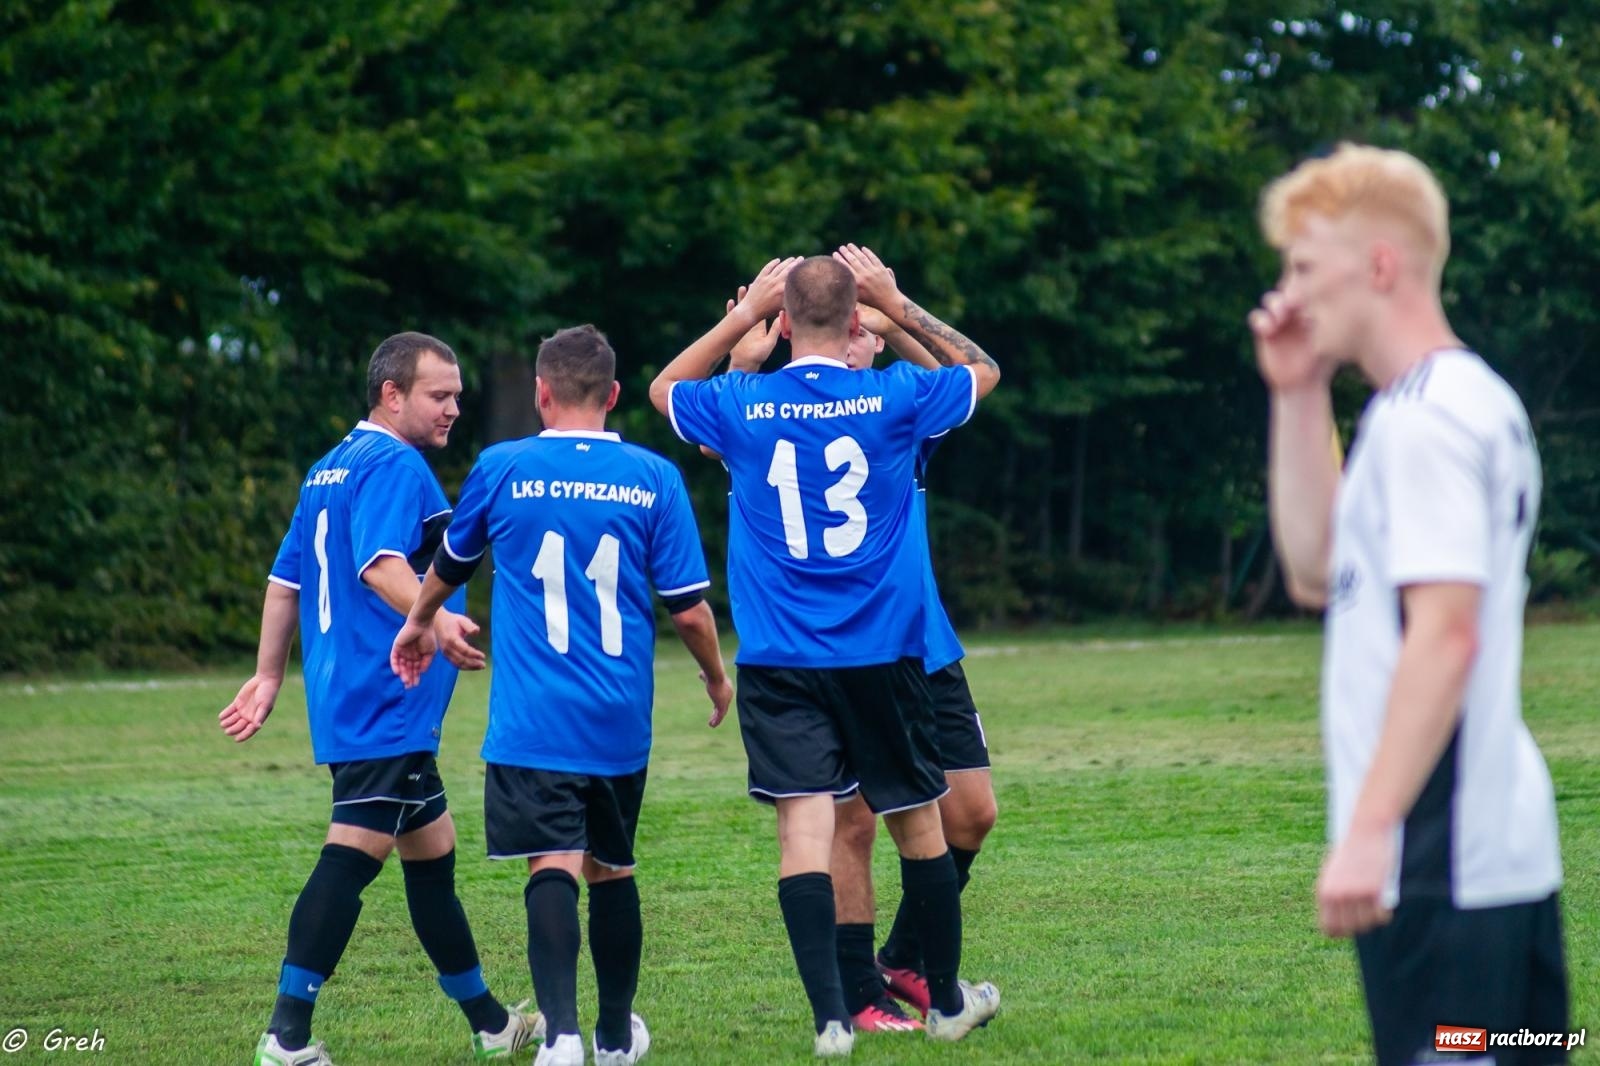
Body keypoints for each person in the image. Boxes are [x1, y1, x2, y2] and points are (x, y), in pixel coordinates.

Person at [1252, 144, 1567, 1065]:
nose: (1288, 294)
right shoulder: (1432, 404)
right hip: (1486, 855)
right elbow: (1317, 573)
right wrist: (1298, 392)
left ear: (1381, 265)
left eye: (1305, 267)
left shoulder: (1426, 419)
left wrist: (1368, 834)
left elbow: (1447, 636)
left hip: (1439, 864)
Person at [649, 248, 1001, 1057]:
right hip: (881, 648)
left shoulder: (749, 404)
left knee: (806, 836)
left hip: (787, 656)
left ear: (783, 320)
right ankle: (931, 999)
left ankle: (832, 1018)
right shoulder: (896, 399)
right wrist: (899, 305)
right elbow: (980, 371)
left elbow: (667, 390)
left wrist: (741, 325)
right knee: (912, 824)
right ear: (853, 322)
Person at [390, 324, 733, 1066]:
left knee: (552, 862)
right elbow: (689, 611)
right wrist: (714, 674)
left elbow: (451, 563)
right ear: (613, 395)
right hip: (617, 716)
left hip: (532, 718)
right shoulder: (654, 477)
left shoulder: (502, 466)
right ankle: (614, 1037)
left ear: (542, 393)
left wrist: (418, 622)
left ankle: (562, 1037)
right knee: (612, 867)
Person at [219, 332, 534, 1066]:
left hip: (358, 695)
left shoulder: (329, 467)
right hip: (386, 693)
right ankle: (286, 1036)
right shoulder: (394, 463)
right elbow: (380, 565)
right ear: (392, 395)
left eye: (457, 395)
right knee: (352, 854)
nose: (454, 408)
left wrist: (269, 675)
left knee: (432, 853)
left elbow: (285, 582)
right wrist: (438, 620)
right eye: (439, 395)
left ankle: (491, 1024)